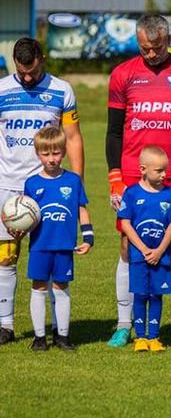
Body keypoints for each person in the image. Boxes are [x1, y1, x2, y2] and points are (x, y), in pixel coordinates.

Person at [106, 14, 171, 348]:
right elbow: (112, 131)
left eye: (156, 47)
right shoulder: (122, 74)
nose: (150, 54)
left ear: (168, 40)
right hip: (132, 177)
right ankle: (125, 325)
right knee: (127, 246)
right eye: (143, 48)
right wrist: (114, 178)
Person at [0, 38, 84, 346]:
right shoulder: (1, 90)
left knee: (51, 258)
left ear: (42, 59)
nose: (27, 78)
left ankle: (56, 330)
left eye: (32, 71)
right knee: (6, 256)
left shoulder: (62, 90)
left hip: (50, 187)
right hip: (8, 187)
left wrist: (77, 183)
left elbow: (73, 137)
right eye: (22, 72)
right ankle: (5, 325)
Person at [19, 126, 92, 351]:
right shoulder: (32, 183)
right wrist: (19, 229)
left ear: (63, 151)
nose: (51, 159)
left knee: (61, 288)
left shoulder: (73, 180)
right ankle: (40, 338)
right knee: (39, 288)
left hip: (64, 246)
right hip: (40, 246)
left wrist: (88, 237)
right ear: (38, 153)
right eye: (46, 154)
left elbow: (81, 209)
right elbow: (25, 214)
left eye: (56, 153)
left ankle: (62, 336)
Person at [117, 146, 171, 352]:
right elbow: (125, 223)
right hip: (138, 256)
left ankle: (154, 337)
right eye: (159, 171)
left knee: (156, 295)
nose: (164, 175)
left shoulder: (169, 194)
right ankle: (140, 338)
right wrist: (144, 249)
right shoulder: (132, 193)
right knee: (140, 294)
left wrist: (160, 250)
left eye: (165, 170)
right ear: (143, 169)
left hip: (161, 257)